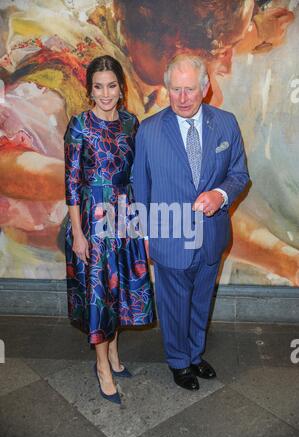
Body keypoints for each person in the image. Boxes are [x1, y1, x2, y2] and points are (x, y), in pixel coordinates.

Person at [133, 54, 250, 391]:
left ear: (205, 87)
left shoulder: (226, 123)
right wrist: (143, 234)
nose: (182, 98)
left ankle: (195, 354)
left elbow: (239, 174)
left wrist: (220, 195)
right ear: (166, 89)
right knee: (173, 304)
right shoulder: (150, 131)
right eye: (175, 90)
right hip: (168, 236)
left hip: (212, 234)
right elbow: (141, 185)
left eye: (189, 89)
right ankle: (178, 361)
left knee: (201, 299)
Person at [64, 55, 154, 404]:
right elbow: (71, 183)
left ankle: (114, 355)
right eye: (98, 86)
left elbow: (136, 177)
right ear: (90, 89)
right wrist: (78, 233)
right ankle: (101, 365)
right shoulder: (80, 125)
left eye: (111, 85)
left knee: (119, 291)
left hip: (125, 216)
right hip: (91, 218)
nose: (105, 93)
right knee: (100, 293)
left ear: (121, 87)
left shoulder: (132, 123)